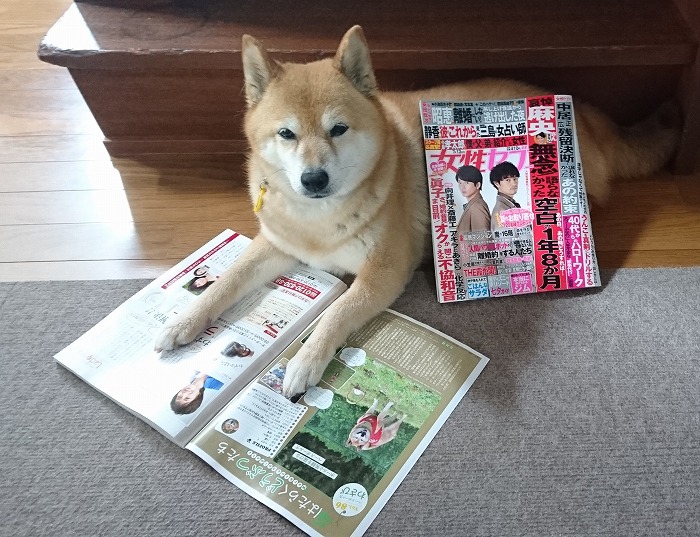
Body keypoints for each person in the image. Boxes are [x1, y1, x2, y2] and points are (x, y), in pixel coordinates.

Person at [454, 165, 491, 237]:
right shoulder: (473, 204)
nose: (462, 187)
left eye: (467, 183)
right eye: (460, 182)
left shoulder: (477, 207)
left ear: (477, 185)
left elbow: (482, 240)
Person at [489, 161, 521, 231]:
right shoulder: (501, 211)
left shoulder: (510, 205)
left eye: (515, 179)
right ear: (497, 183)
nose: (514, 183)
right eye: (508, 180)